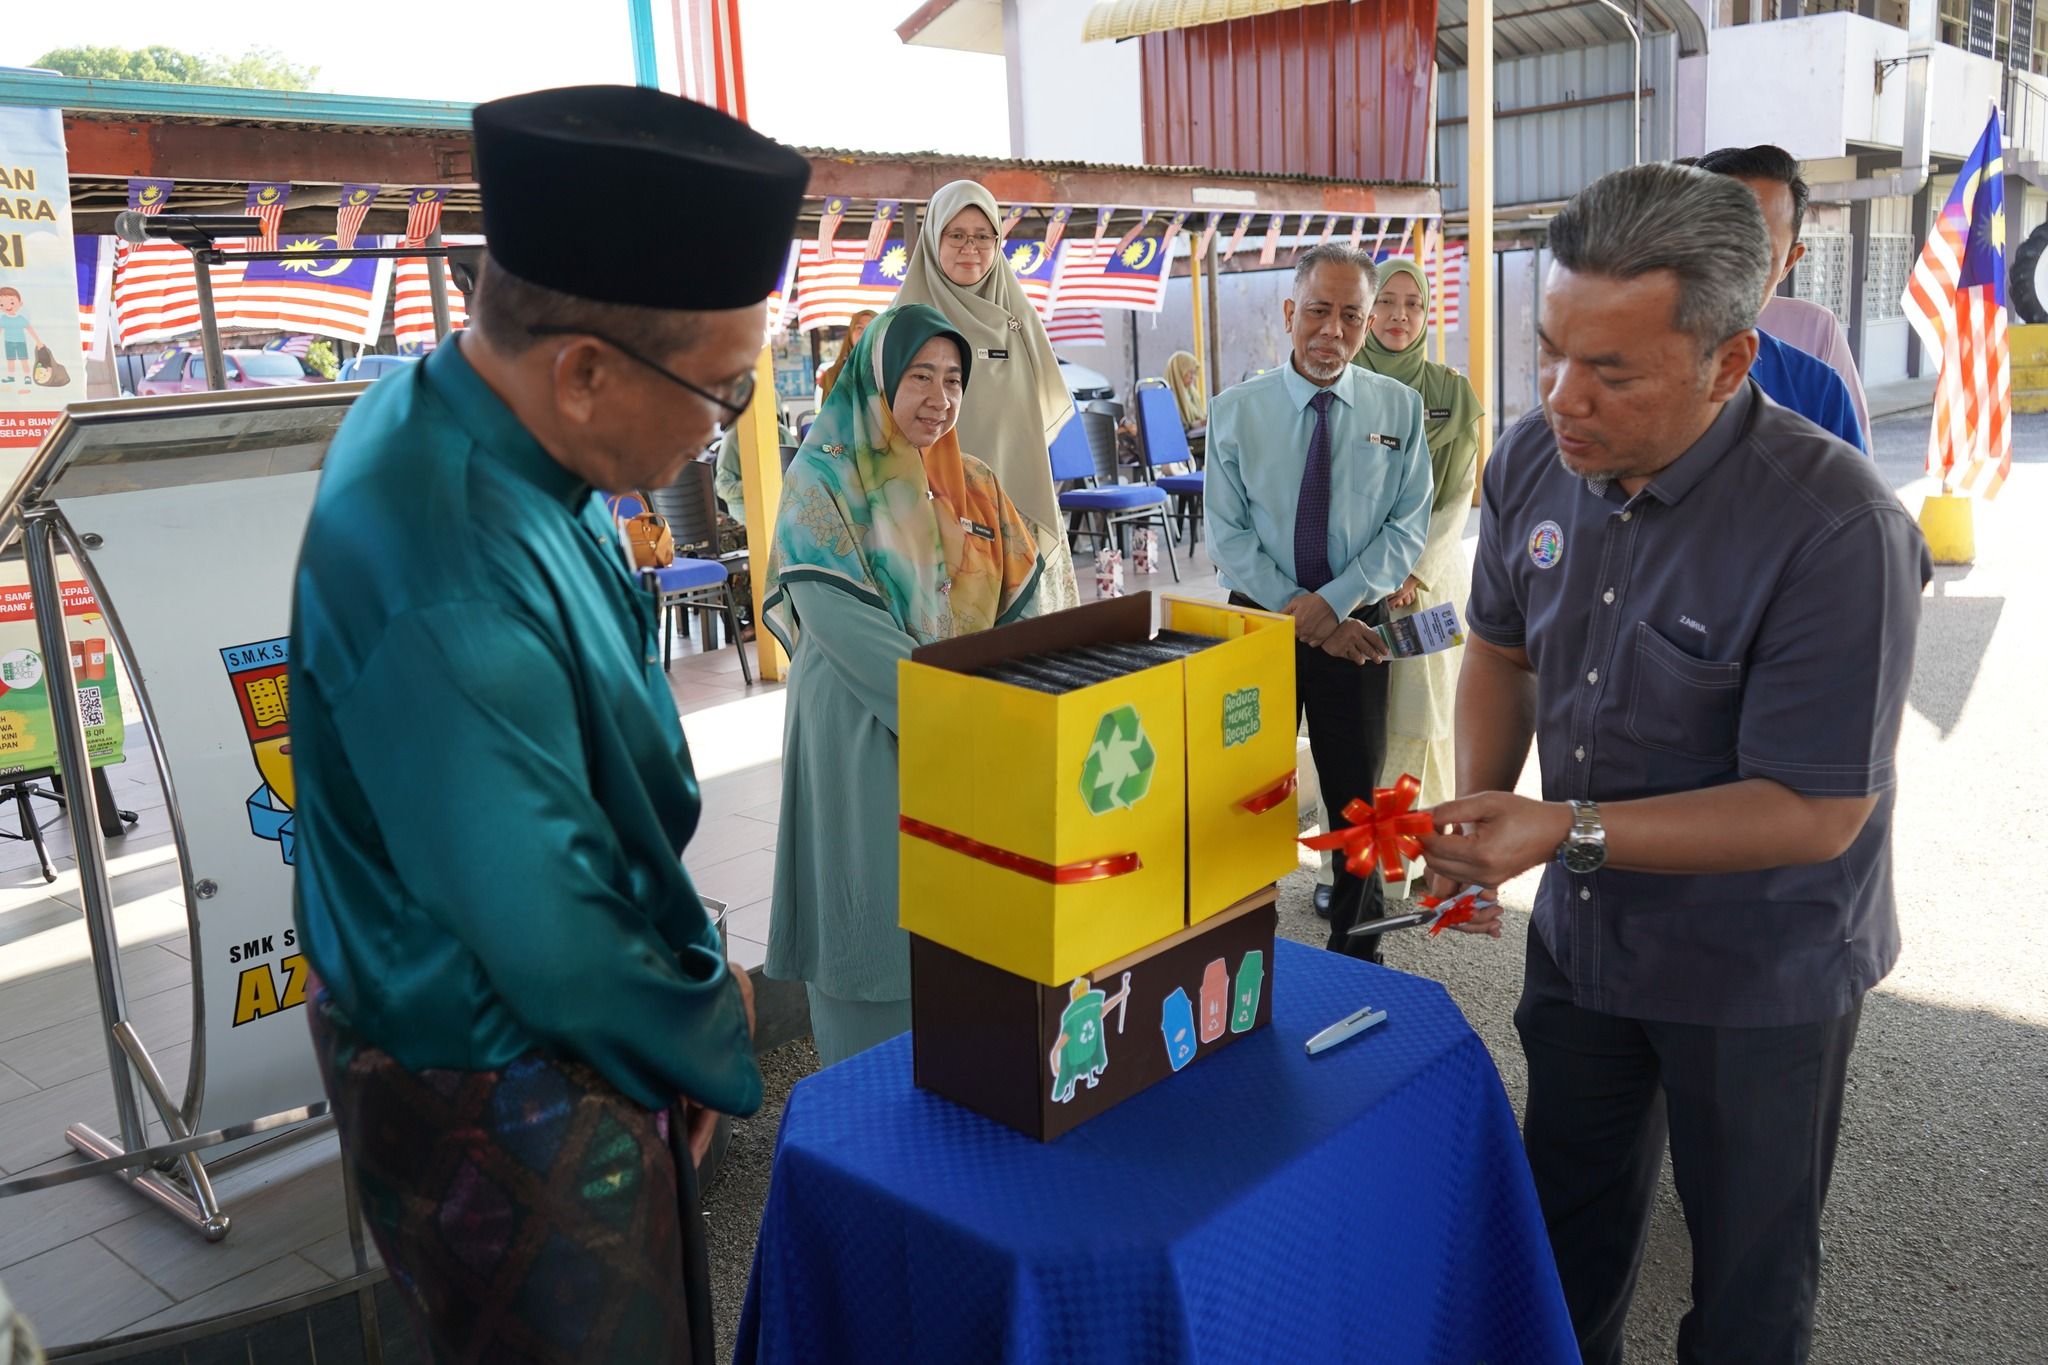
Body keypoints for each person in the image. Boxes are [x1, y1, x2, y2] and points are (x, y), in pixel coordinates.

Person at [290, 85, 808, 1362]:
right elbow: (550, 934)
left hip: (551, 1023)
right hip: (500, 1079)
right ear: (584, 371)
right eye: (724, 393)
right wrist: (704, 1027)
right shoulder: (446, 556)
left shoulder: (486, 423)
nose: (718, 434)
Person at [1420, 163, 1929, 1364]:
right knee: (1563, 1234)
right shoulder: (1533, 463)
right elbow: (1499, 649)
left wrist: (1557, 831)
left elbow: (1812, 812)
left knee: (1749, 1278)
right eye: (1549, 352)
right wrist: (1483, 816)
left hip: (1765, 967)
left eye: (1610, 372)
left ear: (1727, 362)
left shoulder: (1837, 531)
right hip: (1591, 946)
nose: (1562, 398)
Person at [761, 303, 1043, 1065]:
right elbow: (838, 619)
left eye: (953, 380)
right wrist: (961, 708)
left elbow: (1030, 598)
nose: (939, 397)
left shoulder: (972, 480)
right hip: (863, 725)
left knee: (966, 932)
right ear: (878, 376)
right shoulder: (823, 477)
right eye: (919, 375)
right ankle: (868, 1112)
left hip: (964, 728)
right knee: (873, 909)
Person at [1205, 242, 1432, 957]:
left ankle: (1360, 946)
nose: (1332, 331)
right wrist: (1308, 615)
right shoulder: (1235, 411)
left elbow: (1406, 527)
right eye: (1317, 311)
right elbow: (1229, 536)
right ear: (1287, 313)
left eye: (1351, 316)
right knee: (1248, 796)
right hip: (1260, 625)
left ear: (1368, 324)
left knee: (1358, 800)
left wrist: (1334, 607)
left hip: (1359, 627)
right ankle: (1243, 945)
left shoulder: (1401, 408)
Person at [1351, 257, 1482, 886]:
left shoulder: (1451, 394)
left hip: (1426, 591)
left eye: (1413, 304)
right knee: (1357, 720)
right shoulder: (1340, 384)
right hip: (1354, 587)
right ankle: (1356, 867)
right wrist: (1366, 572)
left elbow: (1459, 496)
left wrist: (1412, 569)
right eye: (1387, 301)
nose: (1399, 316)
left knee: (1424, 716)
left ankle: (1419, 855)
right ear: (1368, 310)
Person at [894, 180, 1079, 611]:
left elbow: (1038, 410)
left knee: (1029, 648)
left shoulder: (1018, 318)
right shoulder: (902, 324)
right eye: (956, 235)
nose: (970, 248)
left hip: (1017, 499)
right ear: (933, 237)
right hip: (932, 513)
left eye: (983, 236)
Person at [1686, 145, 1868, 451]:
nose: (1729, 272)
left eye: (1758, 256)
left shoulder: (1818, 393)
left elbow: (1856, 496)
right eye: (1712, 245)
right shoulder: (1605, 372)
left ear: (1788, 263)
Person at [816, 308, 878, 404]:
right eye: (859, 328)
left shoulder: (891, 370)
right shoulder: (834, 374)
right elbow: (827, 416)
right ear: (850, 335)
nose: (864, 333)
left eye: (871, 328)